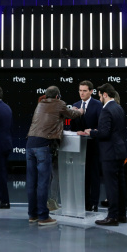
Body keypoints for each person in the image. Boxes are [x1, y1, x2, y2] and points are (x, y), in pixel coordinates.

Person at [26, 86, 83, 226]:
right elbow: (72, 115)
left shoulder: (41, 104)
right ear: (58, 96)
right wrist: (81, 110)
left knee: (32, 183)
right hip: (43, 145)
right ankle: (43, 216)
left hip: (30, 144)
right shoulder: (59, 103)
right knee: (43, 183)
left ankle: (32, 215)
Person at [79, 83, 127, 226]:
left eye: (99, 95)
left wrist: (91, 132)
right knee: (119, 184)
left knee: (111, 185)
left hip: (109, 153)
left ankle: (112, 217)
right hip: (119, 151)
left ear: (105, 94)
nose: (99, 98)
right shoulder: (118, 107)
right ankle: (121, 214)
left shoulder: (106, 110)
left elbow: (105, 133)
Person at [100, 91, 127, 209]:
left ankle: (121, 204)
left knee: (118, 177)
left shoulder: (110, 109)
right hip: (118, 147)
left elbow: (106, 131)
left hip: (113, 148)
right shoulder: (117, 109)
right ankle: (124, 203)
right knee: (120, 176)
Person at [70, 80, 102, 212]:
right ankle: (84, 202)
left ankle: (94, 203)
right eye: (80, 90)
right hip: (79, 146)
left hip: (94, 145)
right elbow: (72, 127)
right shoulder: (75, 105)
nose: (81, 93)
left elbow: (101, 125)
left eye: (84, 90)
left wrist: (91, 131)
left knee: (94, 175)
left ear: (91, 91)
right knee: (82, 175)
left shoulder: (98, 105)